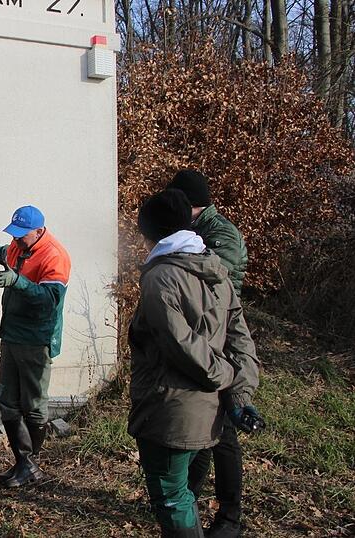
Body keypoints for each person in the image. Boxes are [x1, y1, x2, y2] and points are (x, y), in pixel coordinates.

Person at [129, 189, 262, 538]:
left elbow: (180, 345)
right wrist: (239, 392)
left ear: (151, 232)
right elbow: (241, 339)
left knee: (173, 499)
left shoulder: (160, 278)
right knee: (184, 493)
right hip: (210, 413)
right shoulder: (215, 269)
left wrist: (225, 378)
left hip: (172, 412)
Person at [168, 169, 250, 537]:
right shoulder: (197, 230)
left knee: (225, 435)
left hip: (222, 341)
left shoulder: (221, 234)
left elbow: (218, 275)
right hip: (202, 339)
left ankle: (230, 516)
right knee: (201, 431)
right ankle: (188, 496)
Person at [0, 205, 71, 488]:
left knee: (32, 404)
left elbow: (48, 300)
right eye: (14, 235)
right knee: (5, 397)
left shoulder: (54, 255)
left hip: (36, 339)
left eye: (22, 235)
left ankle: (29, 464)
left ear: (40, 231)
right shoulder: (19, 246)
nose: (16, 240)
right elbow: (2, 252)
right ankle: (24, 464)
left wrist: (17, 281)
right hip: (12, 335)